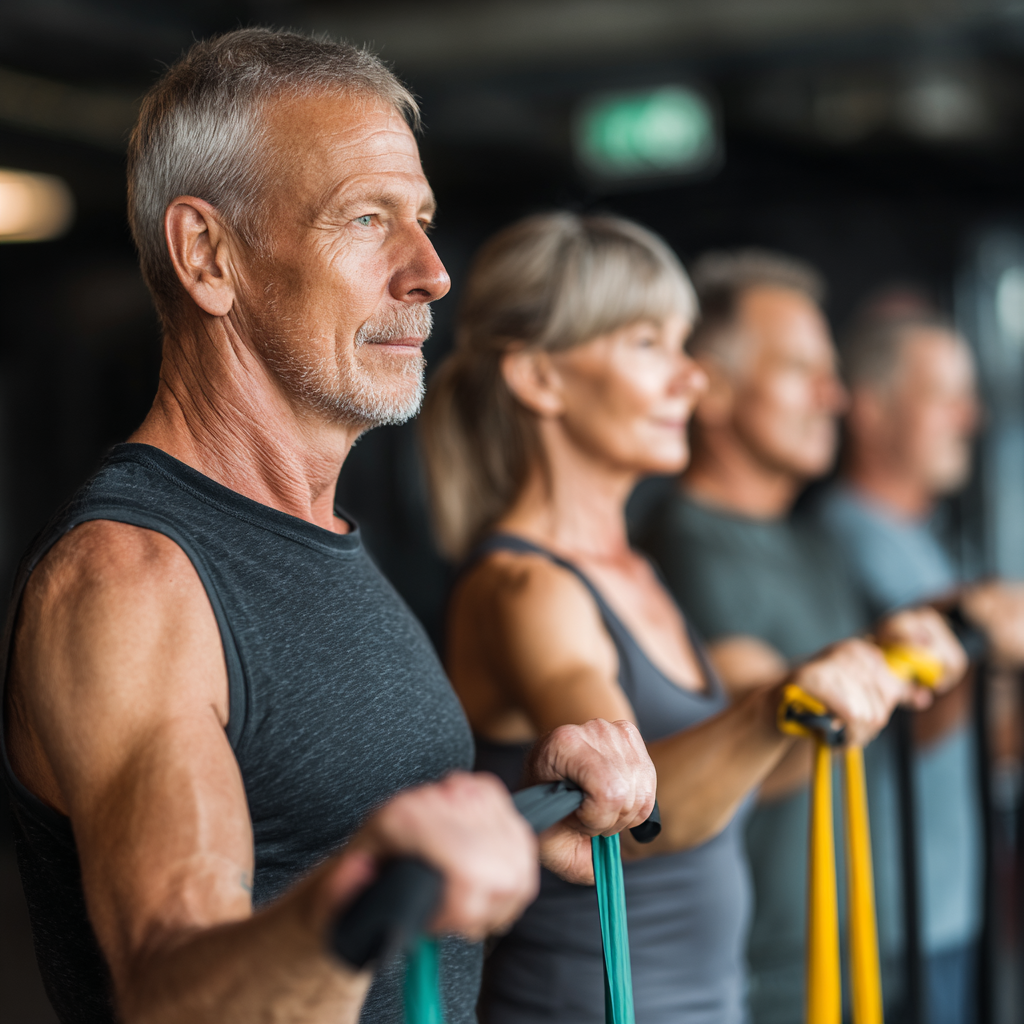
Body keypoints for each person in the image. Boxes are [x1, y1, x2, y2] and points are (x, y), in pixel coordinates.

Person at [0, 30, 659, 1024]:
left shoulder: (310, 529)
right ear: (208, 256)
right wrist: (366, 893)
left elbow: (321, 846)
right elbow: (174, 990)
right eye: (366, 218)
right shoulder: (132, 582)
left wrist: (519, 816)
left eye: (423, 220)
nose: (431, 272)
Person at [419, 214, 964, 1024]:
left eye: (683, 345)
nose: (692, 379)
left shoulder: (634, 571)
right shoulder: (524, 587)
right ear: (540, 379)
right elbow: (629, 798)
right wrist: (775, 703)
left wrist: (855, 675)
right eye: (649, 345)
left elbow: (749, 771)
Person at [636, 251, 978, 1023]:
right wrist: (877, 664)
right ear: (712, 387)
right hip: (777, 983)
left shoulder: (812, 541)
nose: (835, 396)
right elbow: (763, 752)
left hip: (871, 958)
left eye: (832, 373)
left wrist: (948, 654)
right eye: (801, 370)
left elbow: (893, 731)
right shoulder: (687, 545)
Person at [817, 304, 1024, 1023]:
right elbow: (902, 724)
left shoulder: (921, 540)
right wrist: (974, 627)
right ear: (871, 410)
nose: (970, 417)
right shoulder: (842, 540)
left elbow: (983, 738)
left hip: (952, 905)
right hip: (892, 922)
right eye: (944, 397)